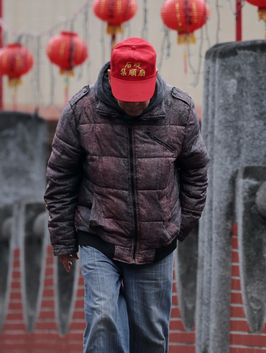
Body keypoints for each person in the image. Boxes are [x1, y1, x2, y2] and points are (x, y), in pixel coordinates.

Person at [44, 36, 210, 353]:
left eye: (140, 96)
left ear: (154, 76)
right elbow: (60, 176)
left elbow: (196, 171)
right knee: (103, 318)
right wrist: (64, 239)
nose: (133, 103)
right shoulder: (81, 111)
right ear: (110, 77)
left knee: (150, 337)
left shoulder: (180, 112)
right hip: (99, 234)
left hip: (156, 242)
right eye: (126, 95)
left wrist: (179, 224)